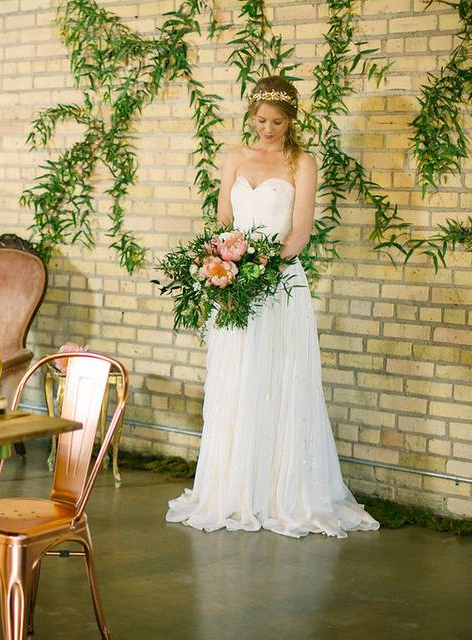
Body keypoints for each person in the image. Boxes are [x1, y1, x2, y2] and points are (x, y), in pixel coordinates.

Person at [165, 76, 379, 538]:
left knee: (279, 380)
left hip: (278, 284)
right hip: (234, 287)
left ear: (291, 121)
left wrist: (262, 268)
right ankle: (233, 490)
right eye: (261, 120)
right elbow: (224, 219)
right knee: (236, 379)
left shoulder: (302, 162)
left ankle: (281, 492)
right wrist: (219, 260)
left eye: (277, 122)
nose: (268, 129)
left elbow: (300, 231)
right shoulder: (234, 157)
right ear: (252, 116)